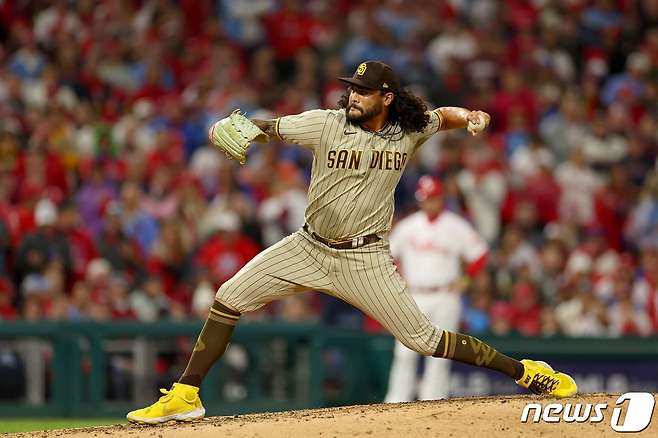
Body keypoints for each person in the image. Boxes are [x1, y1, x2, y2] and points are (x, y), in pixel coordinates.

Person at [127, 61, 577, 424]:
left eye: (363, 91)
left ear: (387, 97)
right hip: (307, 246)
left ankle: (526, 372)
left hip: (365, 257)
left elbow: (443, 117)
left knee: (423, 340)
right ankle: (186, 395)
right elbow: (269, 128)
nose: (353, 96)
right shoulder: (325, 123)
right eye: (351, 89)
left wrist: (472, 117)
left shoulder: (409, 129)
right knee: (227, 297)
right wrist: (240, 127)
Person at [384, 176, 488, 402]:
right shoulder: (408, 226)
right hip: (412, 296)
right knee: (404, 353)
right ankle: (396, 402)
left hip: (444, 295)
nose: (428, 203)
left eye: (432, 199)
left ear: (441, 198)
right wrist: (396, 278)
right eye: (425, 199)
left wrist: (466, 280)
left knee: (441, 354)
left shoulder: (455, 225)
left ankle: (434, 401)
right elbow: (387, 255)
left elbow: (480, 254)